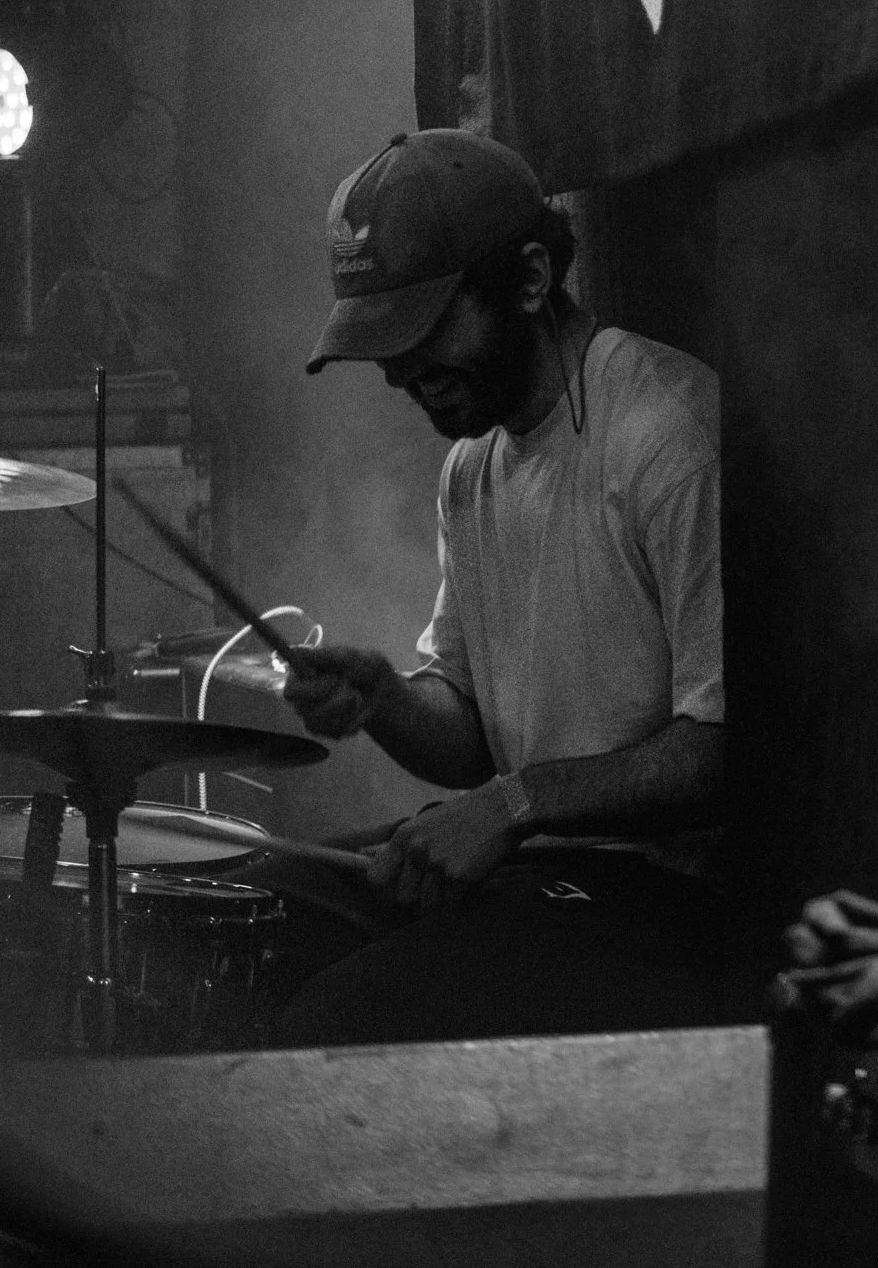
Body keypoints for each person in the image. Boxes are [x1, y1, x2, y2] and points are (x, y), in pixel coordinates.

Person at [266, 128, 739, 1046]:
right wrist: (385, 698)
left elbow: (722, 751)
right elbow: (471, 740)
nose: (400, 372)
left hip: (660, 898)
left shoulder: (667, 436)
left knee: (335, 1022)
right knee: (256, 914)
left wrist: (513, 806)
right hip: (532, 864)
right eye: (382, 346)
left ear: (528, 279)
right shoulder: (470, 469)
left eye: (422, 332)